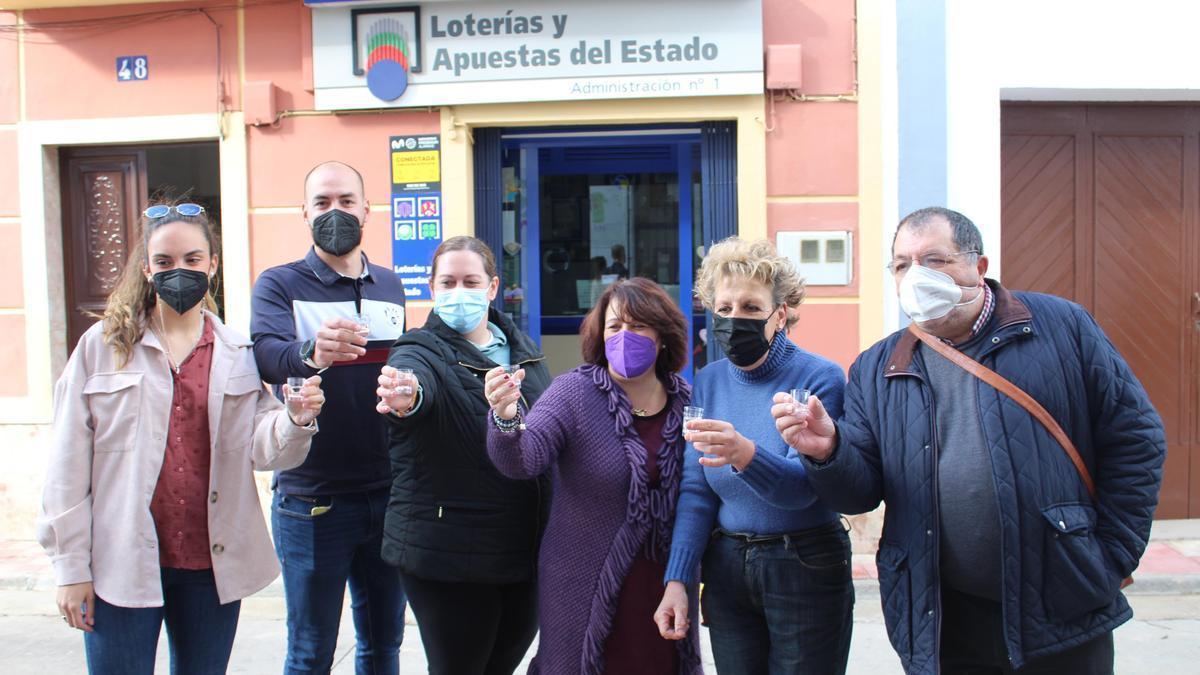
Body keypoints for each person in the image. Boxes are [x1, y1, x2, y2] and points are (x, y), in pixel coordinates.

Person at [771, 207, 1167, 674]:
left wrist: (1111, 555)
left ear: (978, 267)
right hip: (943, 616)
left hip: (1061, 601)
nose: (916, 275)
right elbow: (860, 493)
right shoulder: (878, 367)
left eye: (934, 260)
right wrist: (829, 452)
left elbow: (1136, 438)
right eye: (901, 265)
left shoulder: (1062, 328)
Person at [38, 202, 324, 674]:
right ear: (147, 268)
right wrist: (71, 569)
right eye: (165, 262)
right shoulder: (103, 347)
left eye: (193, 260)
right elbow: (67, 463)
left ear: (212, 265)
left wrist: (294, 418)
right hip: (119, 563)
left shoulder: (238, 353)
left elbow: (263, 448)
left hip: (210, 566)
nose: (180, 271)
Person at [654, 237, 854, 673]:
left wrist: (744, 453)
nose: (734, 319)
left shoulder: (819, 377)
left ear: (780, 314)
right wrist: (679, 579)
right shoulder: (708, 380)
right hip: (727, 566)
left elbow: (803, 490)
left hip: (804, 561)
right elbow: (696, 492)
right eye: (724, 309)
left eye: (750, 307)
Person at [485, 277, 703, 675]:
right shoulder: (573, 392)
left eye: (637, 326)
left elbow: (702, 492)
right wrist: (505, 417)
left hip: (665, 583)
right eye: (614, 327)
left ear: (663, 335)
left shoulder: (688, 401)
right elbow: (523, 459)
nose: (624, 336)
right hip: (581, 582)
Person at [250, 161, 408, 674]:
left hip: (388, 491)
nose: (334, 213)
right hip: (312, 498)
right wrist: (313, 352)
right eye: (321, 203)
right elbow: (269, 355)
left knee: (384, 645)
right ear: (304, 213)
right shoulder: (278, 283)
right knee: (309, 652)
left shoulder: (390, 284)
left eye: (345, 201)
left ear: (367, 210)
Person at [375, 236, 551, 675]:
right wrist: (407, 395)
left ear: (492, 288)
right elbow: (416, 385)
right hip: (449, 553)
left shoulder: (524, 350)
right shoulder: (419, 350)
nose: (459, 291)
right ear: (432, 288)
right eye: (448, 281)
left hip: (521, 548)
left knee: (501, 664)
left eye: (470, 281)